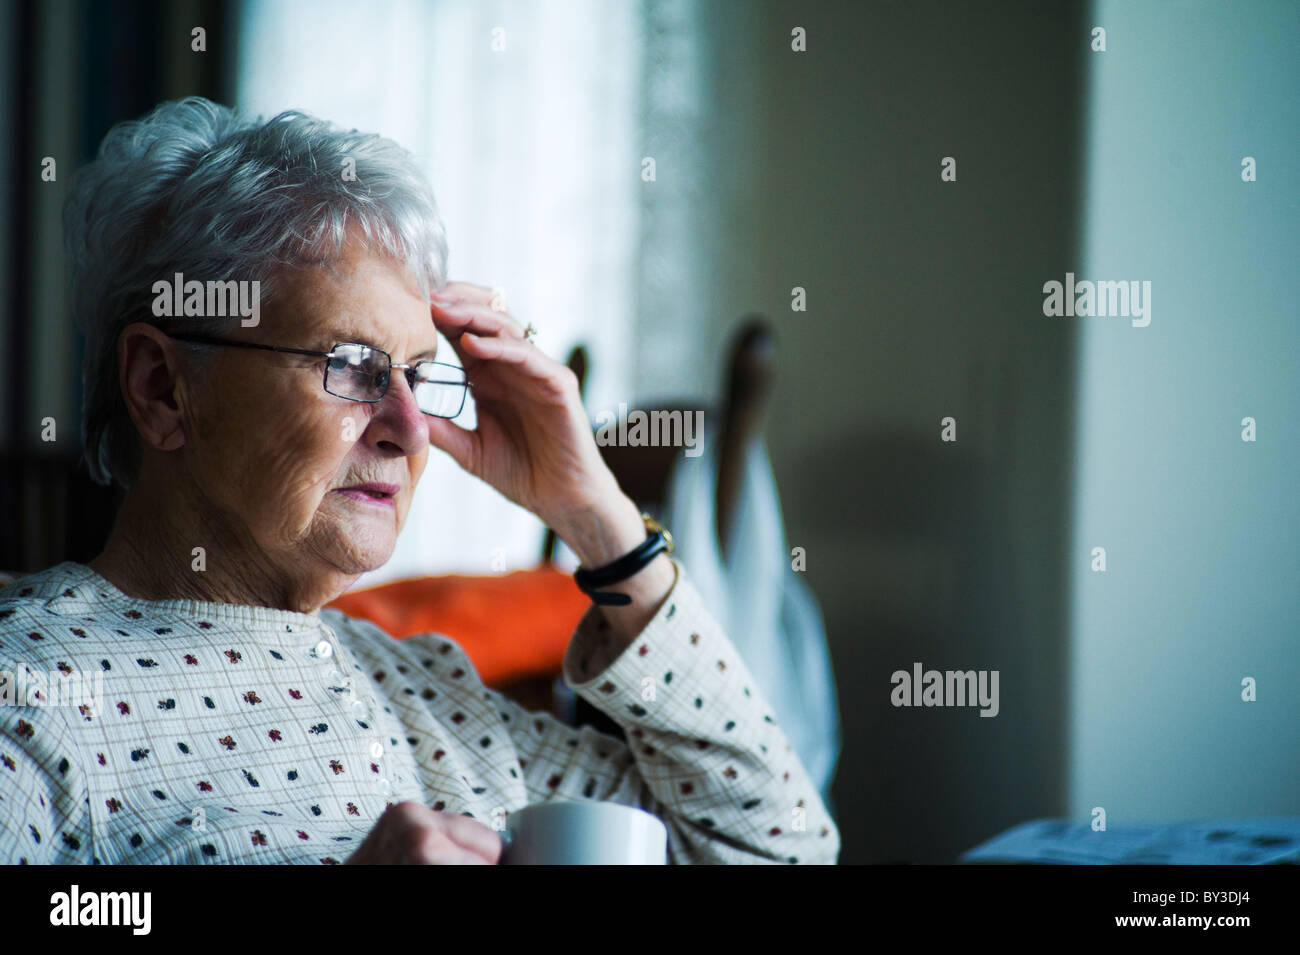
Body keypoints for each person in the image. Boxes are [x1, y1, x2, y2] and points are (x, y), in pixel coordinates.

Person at [0, 97, 840, 864]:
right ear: (162, 388)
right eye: (353, 366)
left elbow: (784, 845)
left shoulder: (429, 691)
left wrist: (596, 514)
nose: (409, 429)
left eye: (419, 375)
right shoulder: (31, 692)